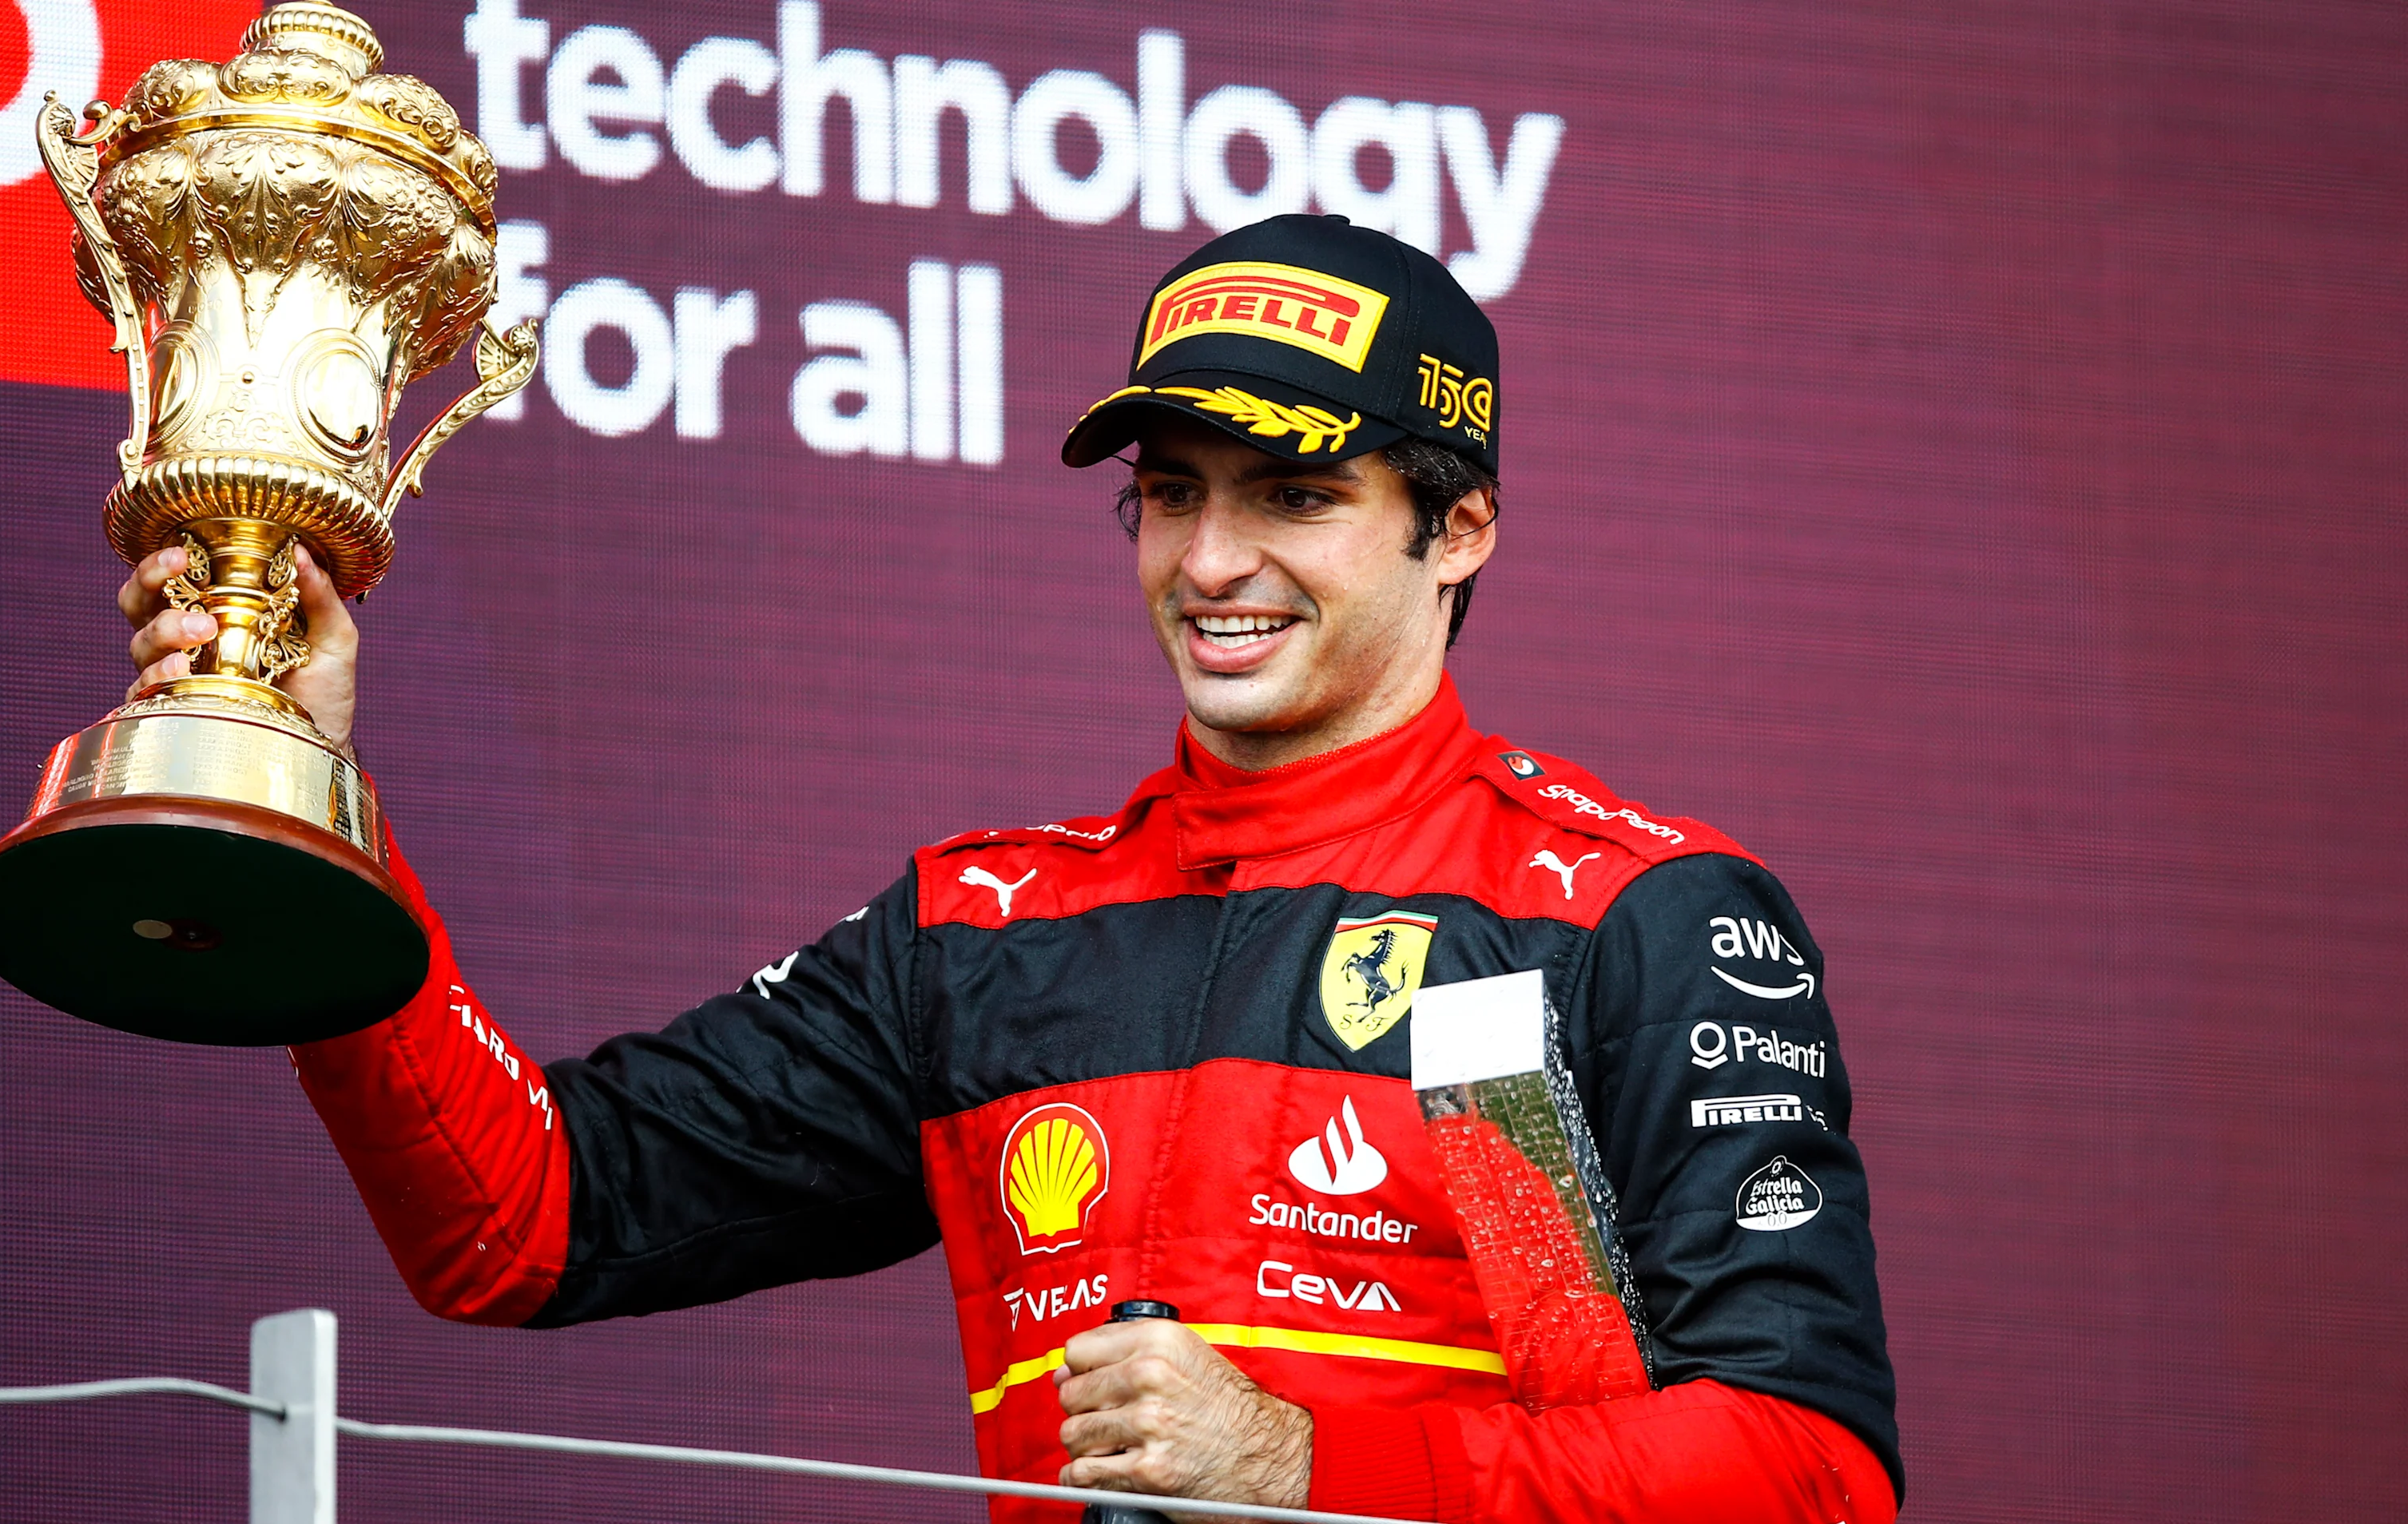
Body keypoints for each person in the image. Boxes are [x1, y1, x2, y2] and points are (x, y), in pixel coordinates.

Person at [121, 215, 1900, 1522]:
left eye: (1292, 499)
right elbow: (516, 1218)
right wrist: (306, 794)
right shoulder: (983, 934)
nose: (1212, 560)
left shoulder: (1625, 916)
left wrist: (1297, 1463)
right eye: (1171, 490)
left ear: (1460, 528)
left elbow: (1806, 1474)